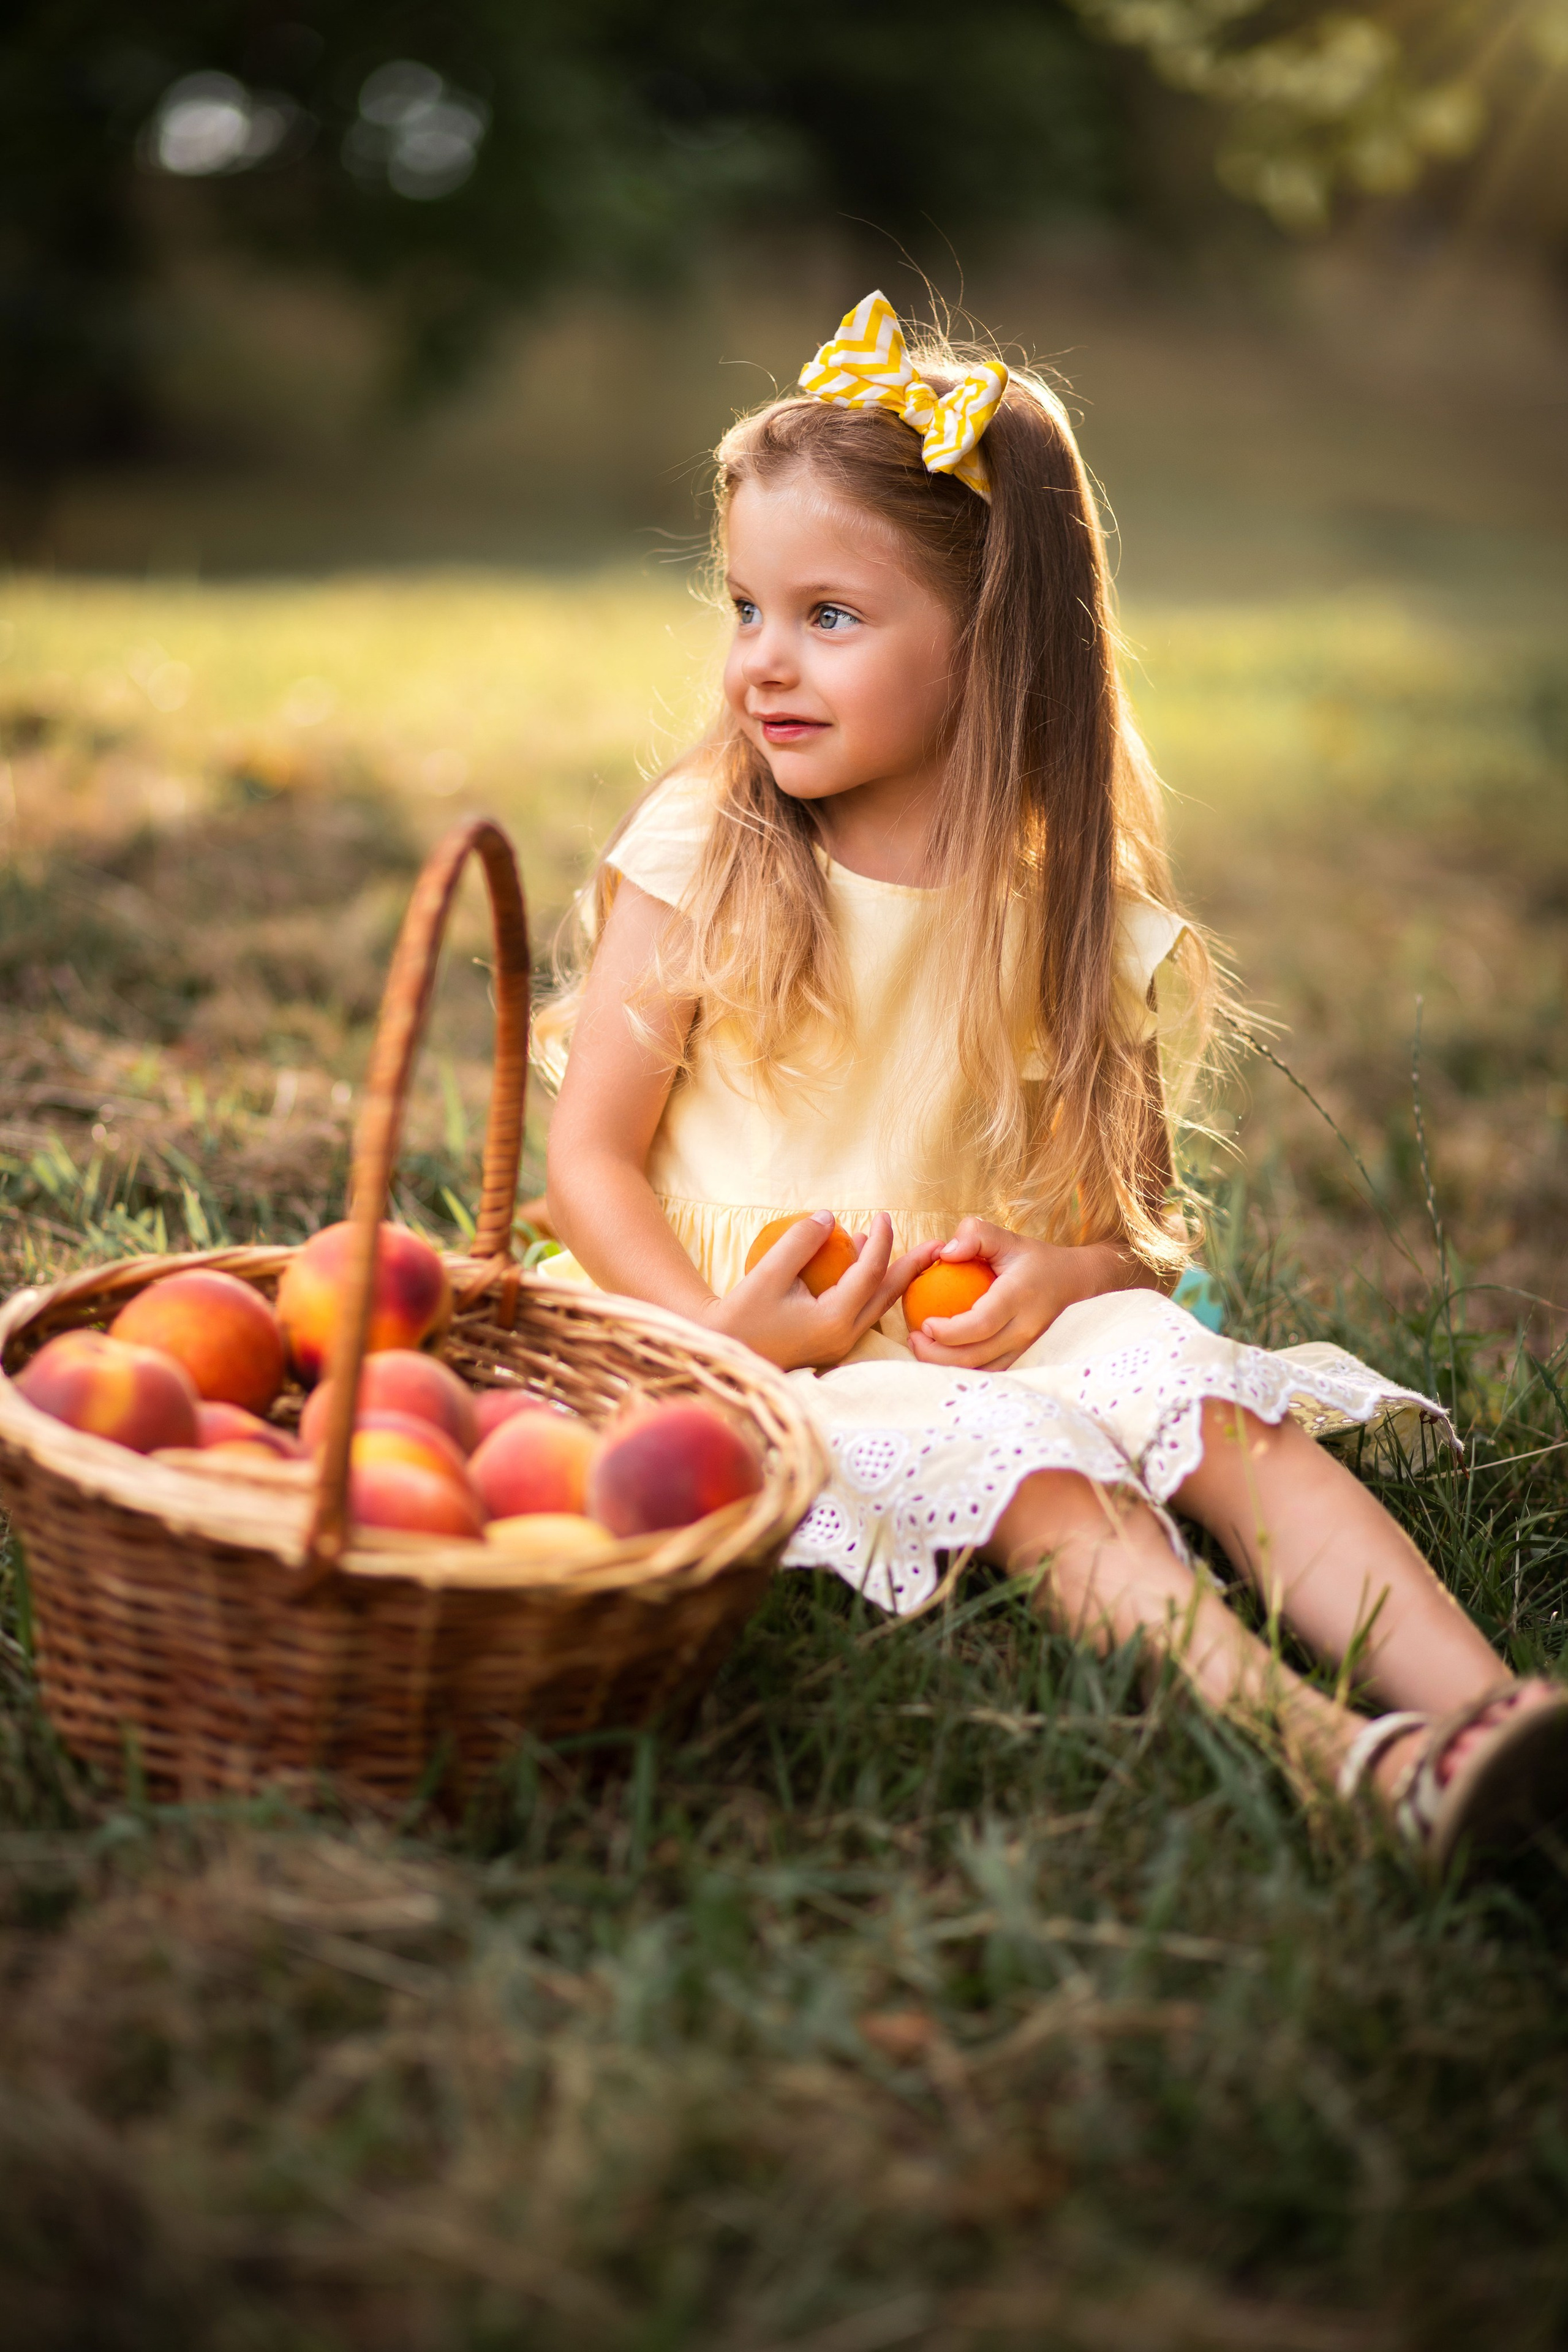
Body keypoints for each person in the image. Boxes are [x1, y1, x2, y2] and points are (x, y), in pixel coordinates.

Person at [537, 290, 1568, 1872]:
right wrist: (718, 1337)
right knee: (1051, 1490)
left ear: (991, 638)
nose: (761, 662)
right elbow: (590, 1166)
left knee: (1214, 1411)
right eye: (747, 606)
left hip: (980, 1313)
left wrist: (1059, 1273)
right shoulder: (705, 854)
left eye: (830, 617)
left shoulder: (1068, 914)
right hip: (752, 1338)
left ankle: (1500, 1725)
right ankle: (1347, 1766)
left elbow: (1137, 1227)